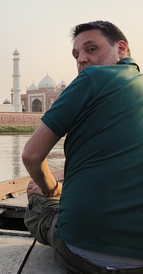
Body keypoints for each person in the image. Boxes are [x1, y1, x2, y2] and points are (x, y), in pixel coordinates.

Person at [22, 20, 143, 273]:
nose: (82, 60)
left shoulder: (92, 78)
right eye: (77, 54)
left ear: (121, 49)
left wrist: (53, 188)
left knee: (39, 197)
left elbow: (32, 155)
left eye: (91, 49)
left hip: (86, 255)